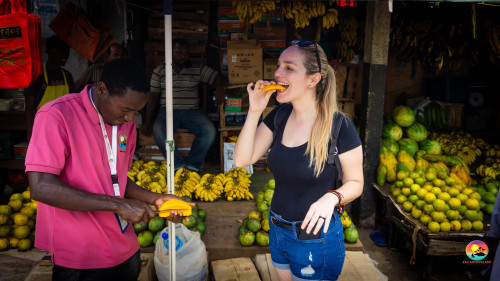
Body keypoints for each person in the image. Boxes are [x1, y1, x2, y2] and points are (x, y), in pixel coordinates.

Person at [25, 58, 193, 281]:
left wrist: (156, 198)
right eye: (125, 109)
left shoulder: (124, 123)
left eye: (136, 112)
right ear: (102, 89)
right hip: (81, 257)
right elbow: (41, 187)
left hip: (126, 250)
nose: (130, 118)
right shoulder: (56, 115)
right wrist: (119, 205)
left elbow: (115, 179)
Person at [234, 40, 364, 280]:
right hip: (277, 230)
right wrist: (254, 111)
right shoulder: (279, 115)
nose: (277, 73)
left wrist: (332, 197)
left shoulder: (340, 126)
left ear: (313, 79)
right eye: (278, 65)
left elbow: (356, 182)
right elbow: (242, 160)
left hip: (315, 239)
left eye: (289, 68)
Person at [141, 38, 226, 172]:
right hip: (167, 111)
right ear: (170, 53)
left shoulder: (197, 69)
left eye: (185, 53)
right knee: (158, 129)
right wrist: (147, 121)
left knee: (209, 130)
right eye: (179, 53)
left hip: (192, 111)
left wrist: (220, 88)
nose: (183, 56)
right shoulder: (160, 71)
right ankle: (178, 165)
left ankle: (192, 166)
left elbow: (219, 77)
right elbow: (153, 97)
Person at [25, 35, 75, 140]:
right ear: (48, 51)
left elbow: (73, 107)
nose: (65, 54)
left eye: (67, 50)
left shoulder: (67, 76)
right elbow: (30, 110)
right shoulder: (37, 76)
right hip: (42, 132)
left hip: (64, 131)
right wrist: (31, 139)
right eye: (60, 50)